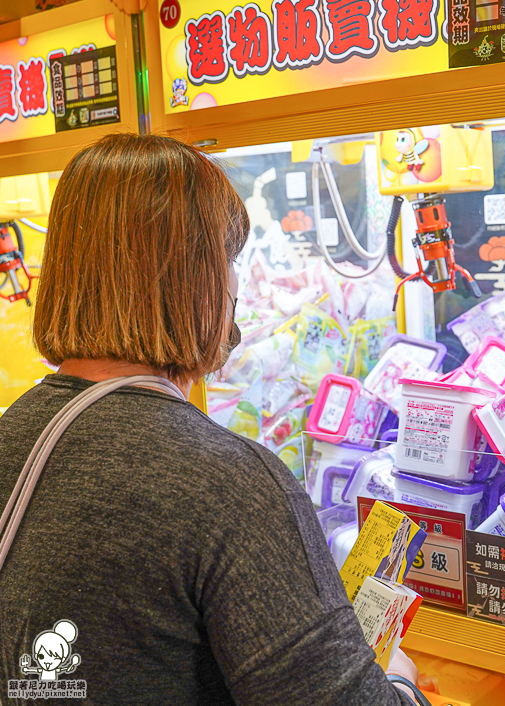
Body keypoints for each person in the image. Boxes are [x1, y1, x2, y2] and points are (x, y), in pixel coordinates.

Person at [0, 134, 419, 705]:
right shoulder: (230, 486)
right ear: (195, 280)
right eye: (229, 259)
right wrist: (399, 681)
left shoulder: (13, 434)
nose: (237, 285)